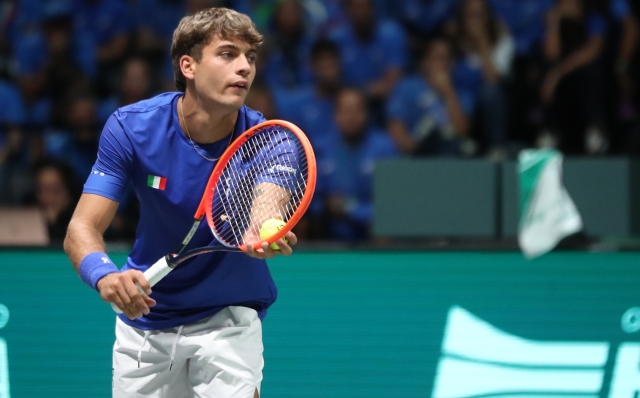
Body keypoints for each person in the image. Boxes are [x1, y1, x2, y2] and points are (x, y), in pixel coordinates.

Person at [63, 8, 297, 397]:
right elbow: (81, 229)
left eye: (250, 58)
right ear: (188, 65)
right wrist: (105, 275)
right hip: (146, 317)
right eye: (227, 54)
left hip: (228, 317)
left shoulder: (271, 140)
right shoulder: (132, 128)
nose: (244, 68)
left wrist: (262, 232)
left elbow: (266, 211)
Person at [319, 87, 397, 241]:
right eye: (346, 111)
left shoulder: (384, 147)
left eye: (357, 111)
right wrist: (326, 206)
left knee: (383, 226)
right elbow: (315, 201)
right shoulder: (322, 148)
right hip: (331, 233)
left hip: (374, 233)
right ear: (335, 115)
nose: (351, 117)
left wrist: (349, 208)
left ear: (366, 114)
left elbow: (392, 206)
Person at [386, 38, 473, 156]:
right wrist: (411, 149)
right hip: (417, 149)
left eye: (445, 58)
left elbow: (462, 131)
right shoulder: (408, 87)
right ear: (426, 62)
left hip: (448, 152)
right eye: (436, 58)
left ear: (452, 64)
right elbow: (395, 126)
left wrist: (449, 93)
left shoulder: (461, 93)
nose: (441, 64)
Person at [452, 0, 515, 159]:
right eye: (471, 15)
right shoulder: (452, 42)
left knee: (490, 93)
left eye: (480, 15)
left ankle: (497, 148)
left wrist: (482, 43)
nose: (475, 21)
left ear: (488, 17)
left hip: (487, 108)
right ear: (462, 18)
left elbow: (492, 79)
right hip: (459, 105)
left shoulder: (502, 41)